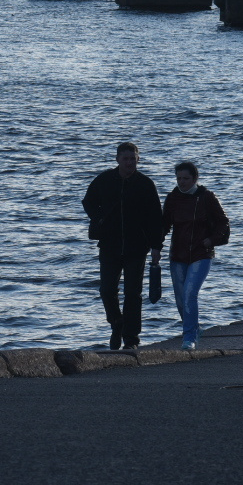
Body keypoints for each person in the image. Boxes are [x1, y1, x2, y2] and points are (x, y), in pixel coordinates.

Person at [81, 142, 165, 350]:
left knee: (133, 293)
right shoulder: (104, 180)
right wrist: (99, 219)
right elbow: (88, 202)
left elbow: (156, 218)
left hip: (137, 247)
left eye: (133, 158)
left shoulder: (146, 184)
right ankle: (116, 322)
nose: (129, 162)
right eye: (125, 158)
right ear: (117, 159)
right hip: (109, 244)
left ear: (139, 159)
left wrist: (157, 246)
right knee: (107, 290)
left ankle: (131, 339)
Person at [162, 161, 230, 351]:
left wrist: (212, 240)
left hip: (201, 253)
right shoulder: (172, 198)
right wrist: (156, 247)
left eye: (185, 179)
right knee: (180, 299)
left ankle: (189, 338)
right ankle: (194, 328)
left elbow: (223, 222)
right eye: (178, 179)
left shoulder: (207, 197)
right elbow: (164, 226)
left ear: (195, 179)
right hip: (178, 254)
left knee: (190, 293)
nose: (181, 182)